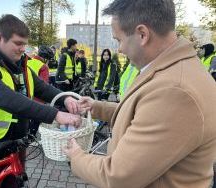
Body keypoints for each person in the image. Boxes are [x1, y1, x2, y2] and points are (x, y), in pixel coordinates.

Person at [64, 0, 216, 188]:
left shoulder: (175, 91)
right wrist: (98, 108)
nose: (119, 49)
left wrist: (76, 157)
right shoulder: (171, 70)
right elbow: (145, 114)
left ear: (142, 34)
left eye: (119, 40)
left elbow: (119, 176)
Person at [0, 14, 81, 188]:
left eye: (25, 44)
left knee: (15, 184)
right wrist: (55, 114)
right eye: (18, 43)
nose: (23, 49)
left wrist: (66, 98)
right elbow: (9, 99)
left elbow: (41, 87)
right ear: (0, 38)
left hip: (15, 142)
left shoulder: (20, 63)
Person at [27, 45, 53, 135]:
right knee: (35, 121)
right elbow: (43, 86)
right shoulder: (43, 67)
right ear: (46, 58)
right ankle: (31, 137)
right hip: (37, 99)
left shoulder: (28, 61)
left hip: (25, 96)